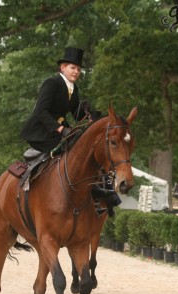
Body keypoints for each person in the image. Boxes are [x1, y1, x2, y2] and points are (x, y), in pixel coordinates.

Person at [20, 47, 121, 215]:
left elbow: (77, 113)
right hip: (41, 130)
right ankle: (30, 181)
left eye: (79, 69)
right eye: (73, 68)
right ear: (63, 68)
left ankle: (103, 193)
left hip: (58, 130)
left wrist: (93, 116)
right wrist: (60, 128)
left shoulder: (73, 89)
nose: (76, 72)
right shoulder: (51, 83)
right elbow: (40, 111)